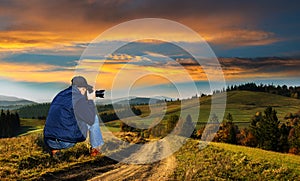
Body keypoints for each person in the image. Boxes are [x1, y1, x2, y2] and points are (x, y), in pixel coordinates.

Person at [44, 76, 104, 157]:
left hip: (49, 140)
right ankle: (96, 150)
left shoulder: (60, 95)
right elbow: (90, 119)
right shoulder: (79, 99)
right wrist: (90, 100)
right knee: (94, 119)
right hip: (65, 141)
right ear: (82, 89)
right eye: (85, 90)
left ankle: (55, 150)